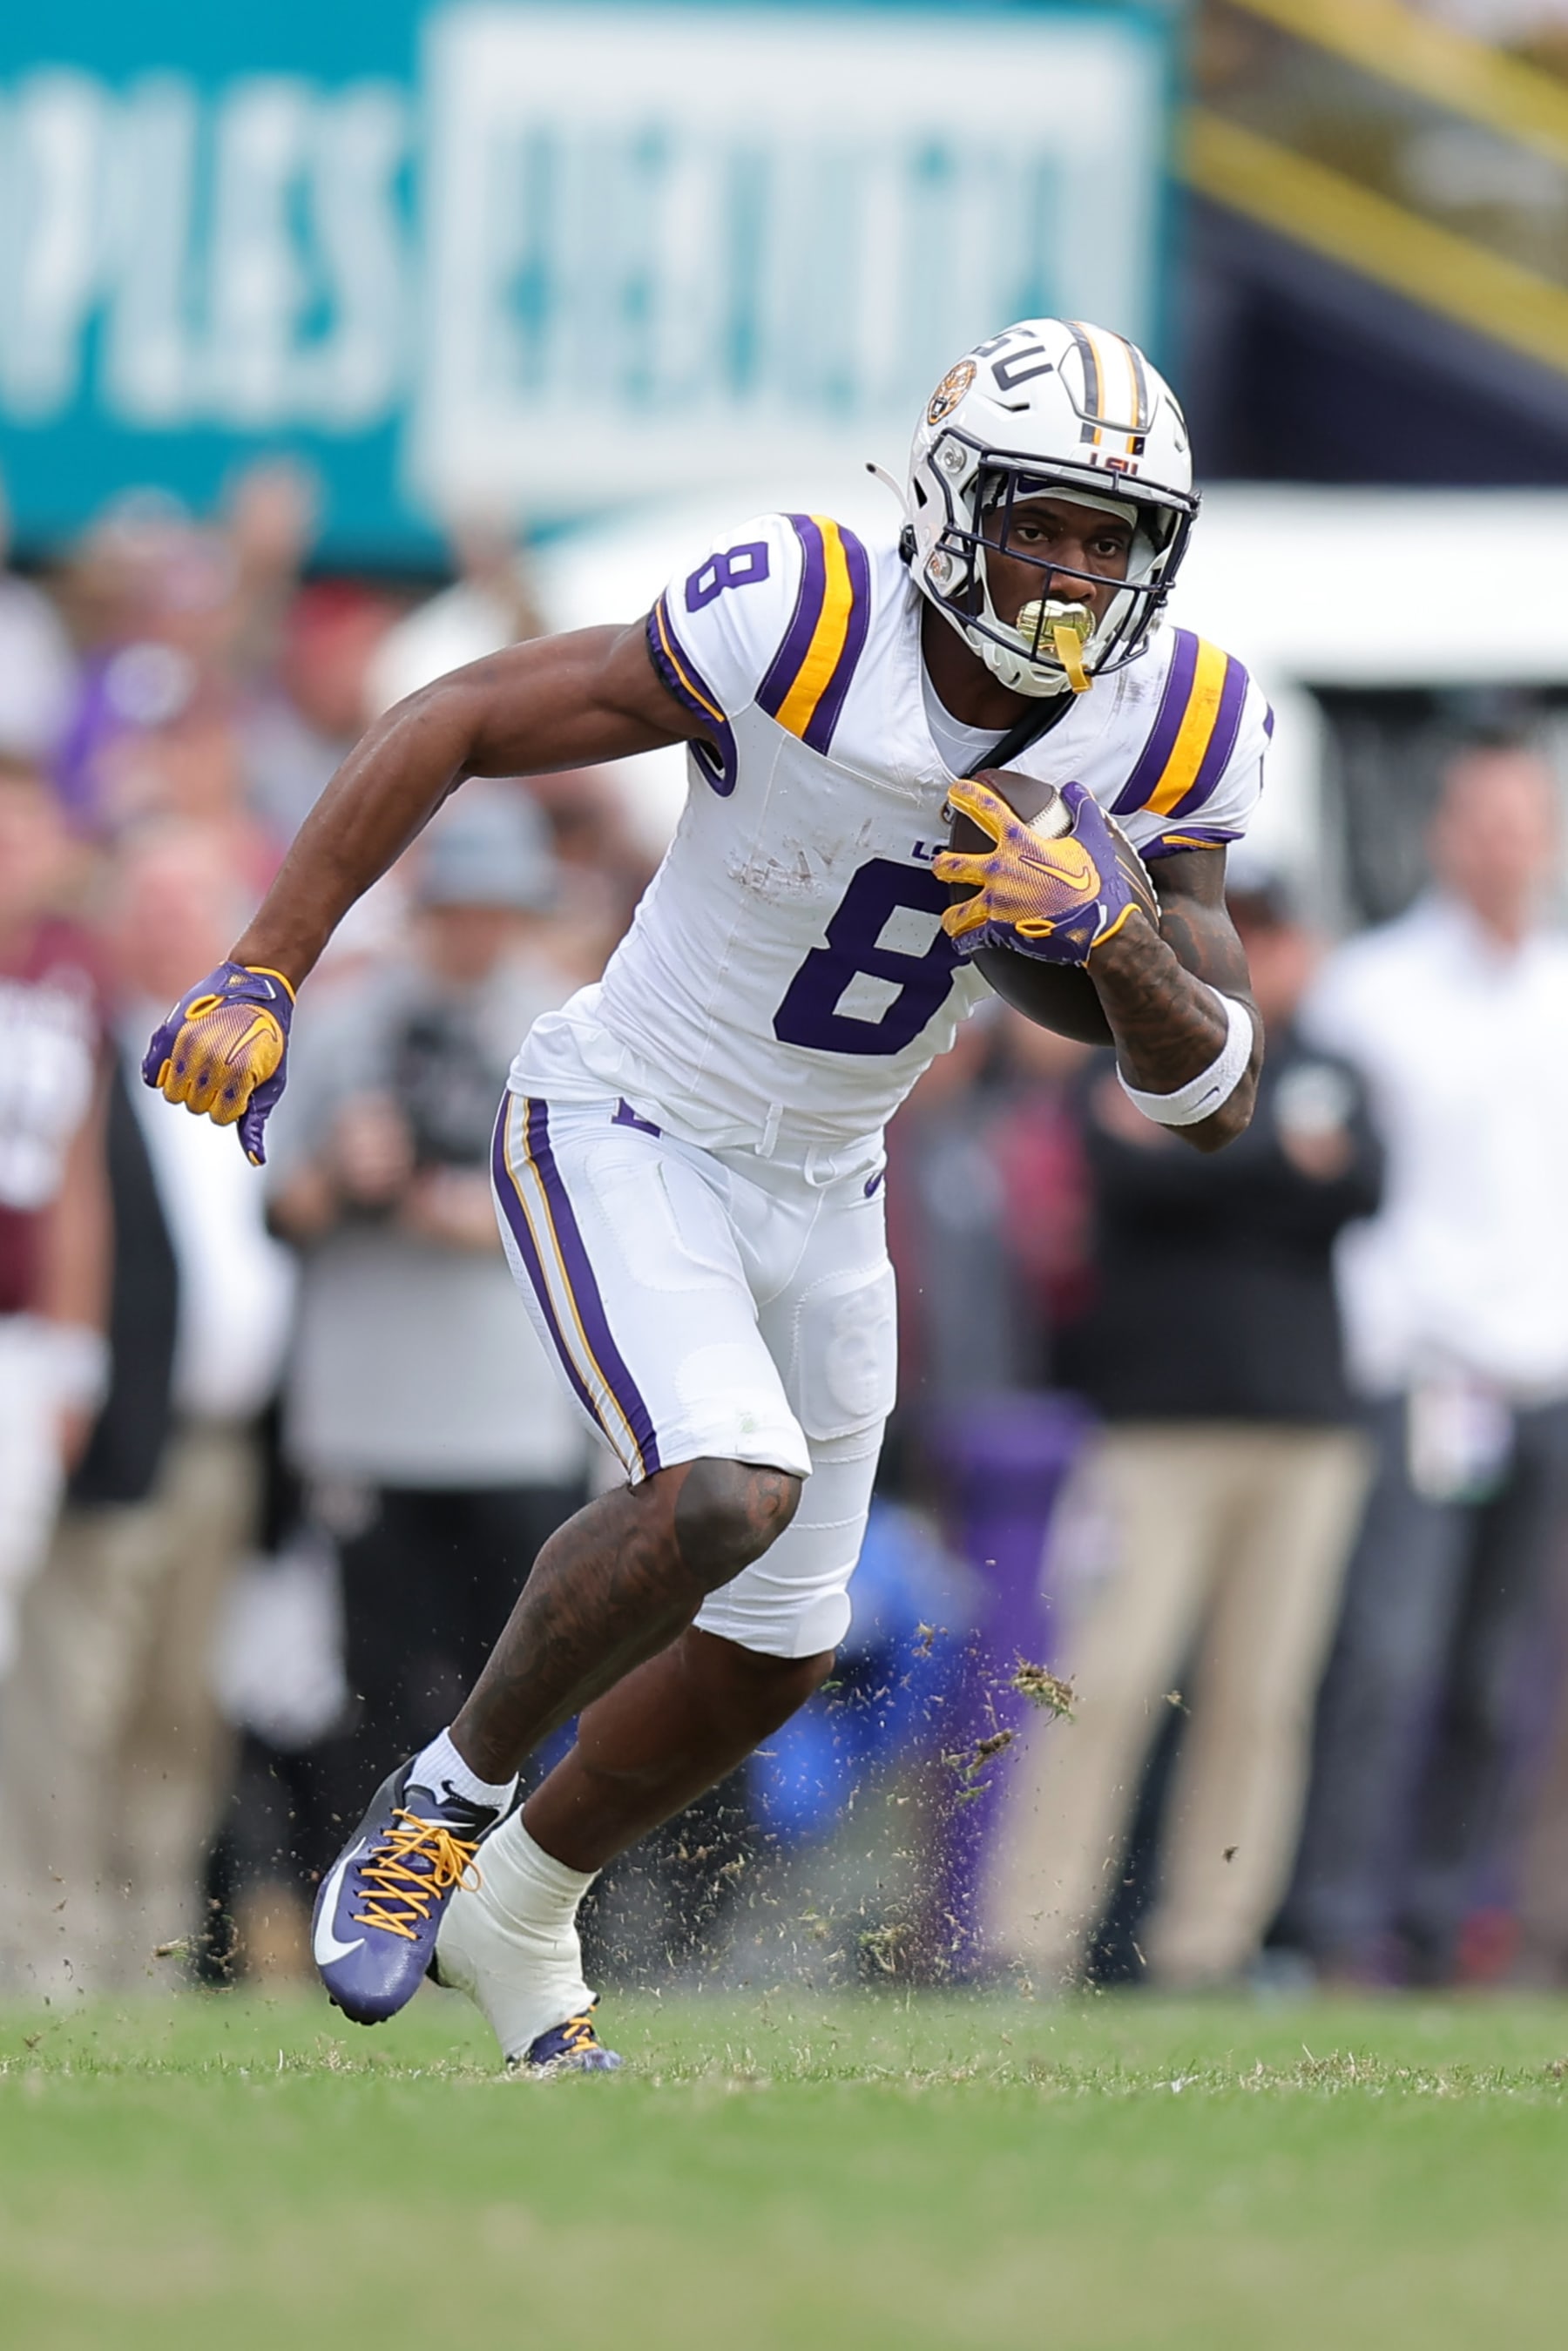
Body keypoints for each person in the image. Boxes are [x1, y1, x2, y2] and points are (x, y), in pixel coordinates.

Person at [140, 316, 1272, 2072]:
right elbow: (456, 714)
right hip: (630, 1116)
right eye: (1043, 519)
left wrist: (1112, 932)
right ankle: (445, 1791)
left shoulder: (1174, 712)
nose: (1070, 569)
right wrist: (264, 970)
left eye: (1107, 538)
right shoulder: (807, 613)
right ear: (956, 501)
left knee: (777, 1653)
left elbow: (1208, 1085)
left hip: (828, 1184)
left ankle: (519, 1918)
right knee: (727, 1485)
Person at [988, 872, 1382, 1990]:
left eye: (1274, 928)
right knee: (1102, 1680)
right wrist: (1274, 1162)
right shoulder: (1131, 1047)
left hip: (1305, 1430)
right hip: (1152, 1430)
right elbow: (1132, 1168)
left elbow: (1363, 1184)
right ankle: (1030, 1938)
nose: (1256, 946)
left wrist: (1215, 1154)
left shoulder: (1333, 1068)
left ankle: (1211, 1944)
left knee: (1261, 1697)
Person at [1281, 742, 1568, 1984]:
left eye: (1526, 823)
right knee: (1387, 1654)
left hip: (1543, 1368)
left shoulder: (1558, 989)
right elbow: (1333, 1178)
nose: (1505, 846)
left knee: (1498, 1674)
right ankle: (1338, 1917)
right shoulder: (1377, 988)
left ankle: (1454, 1912)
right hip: (1421, 1368)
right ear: (1448, 833)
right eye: (1485, 821)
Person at [262, 786, 593, 1849]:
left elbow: (594, 1210)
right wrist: (343, 1175)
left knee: (520, 1686)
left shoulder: (566, 1023)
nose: (477, 930)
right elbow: (278, 1207)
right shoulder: (349, 1018)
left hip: (510, 1413)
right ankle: (360, 1886)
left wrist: (457, 1208)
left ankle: (501, 1898)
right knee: (373, 1686)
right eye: (460, 906)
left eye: (498, 907)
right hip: (369, 1408)